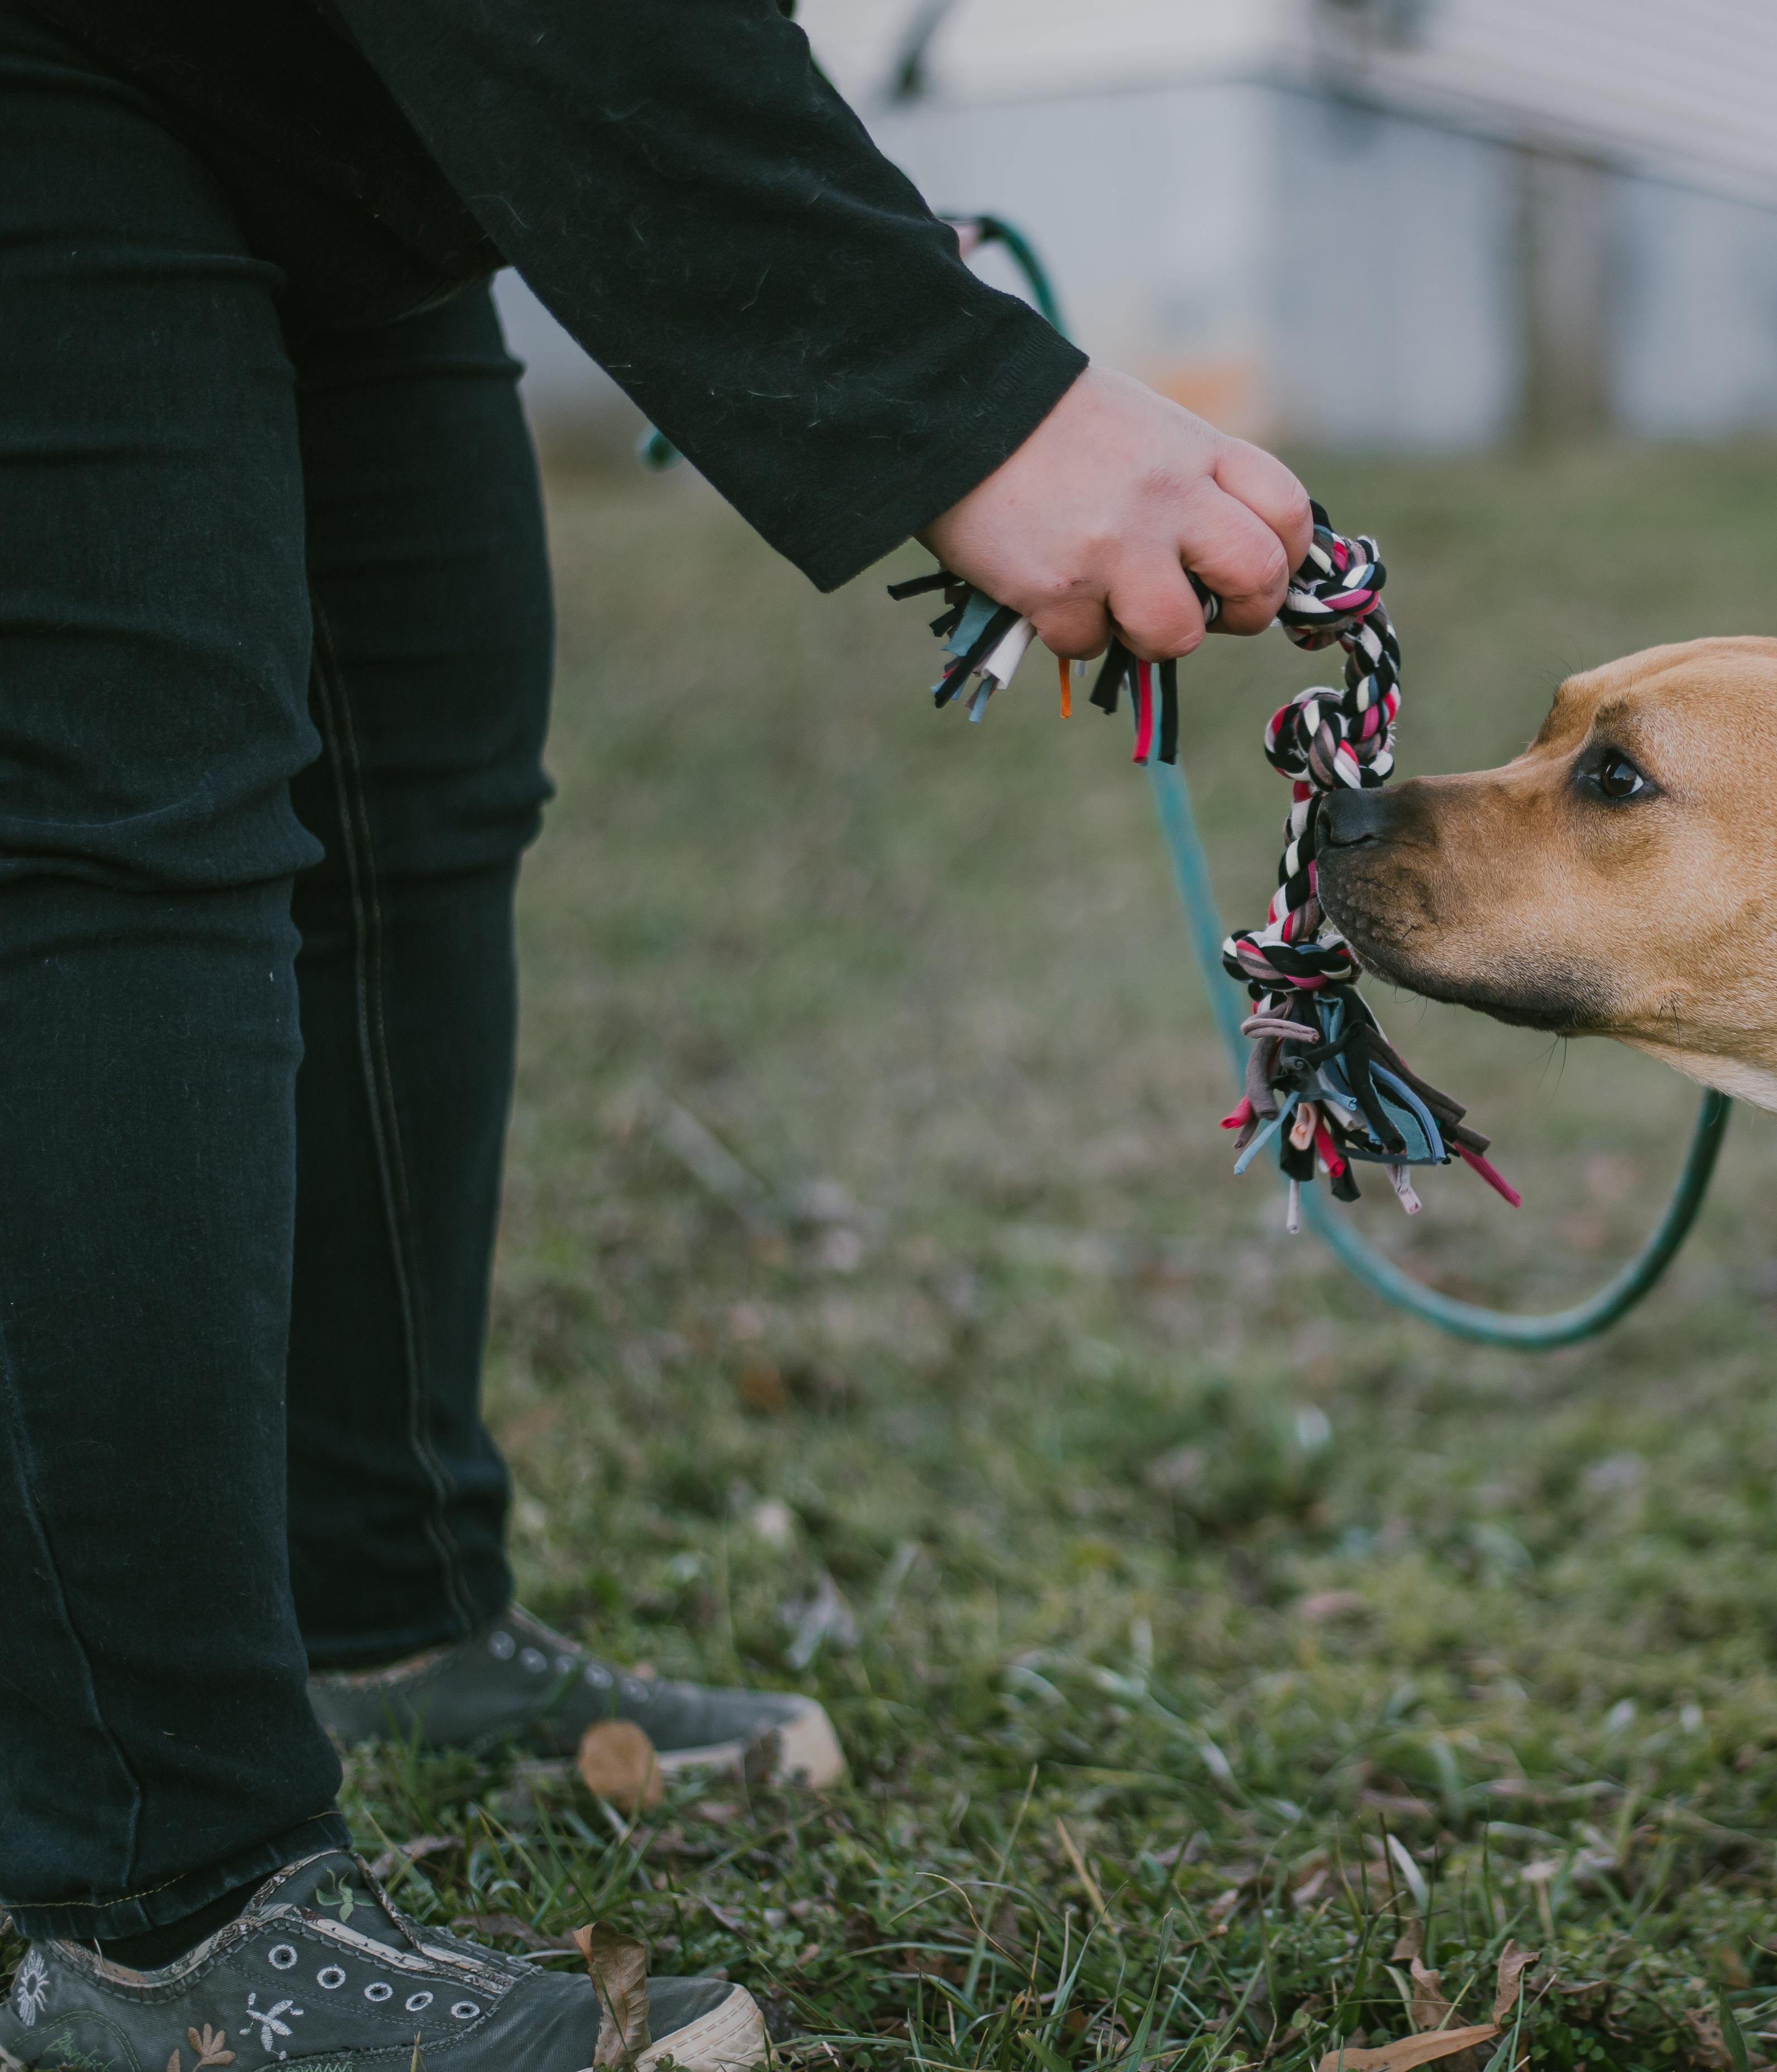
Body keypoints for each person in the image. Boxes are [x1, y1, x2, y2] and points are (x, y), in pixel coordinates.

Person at [0, 1, 1312, 2064]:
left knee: (411, 779)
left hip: (318, 90)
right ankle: (145, 1908)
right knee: (113, 846)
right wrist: (956, 395)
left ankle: (386, 1612)